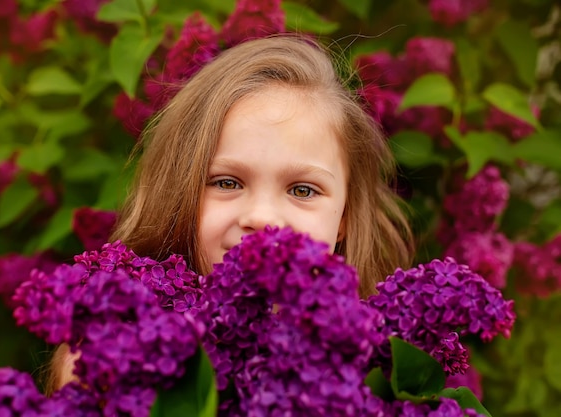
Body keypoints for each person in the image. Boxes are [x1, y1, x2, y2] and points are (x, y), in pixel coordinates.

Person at [45, 34, 413, 394]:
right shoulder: (105, 359)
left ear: (344, 218)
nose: (263, 218)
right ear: (179, 192)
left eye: (302, 190)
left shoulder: (382, 376)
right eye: (226, 182)